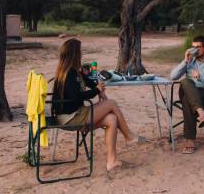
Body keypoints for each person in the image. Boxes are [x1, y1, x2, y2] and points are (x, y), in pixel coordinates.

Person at [52, 38, 142, 171]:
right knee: (111, 103)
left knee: (112, 119)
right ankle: (128, 136)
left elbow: (89, 82)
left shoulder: (74, 71)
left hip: (76, 114)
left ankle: (112, 161)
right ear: (74, 54)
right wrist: (97, 91)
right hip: (71, 118)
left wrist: (98, 89)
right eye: (80, 51)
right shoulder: (69, 74)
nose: (81, 54)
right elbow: (76, 97)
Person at [170, 35, 204, 154]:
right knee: (186, 81)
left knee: (187, 101)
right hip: (188, 90)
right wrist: (185, 60)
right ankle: (201, 114)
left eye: (198, 47)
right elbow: (173, 76)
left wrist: (202, 77)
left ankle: (190, 140)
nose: (195, 50)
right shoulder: (189, 61)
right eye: (193, 47)